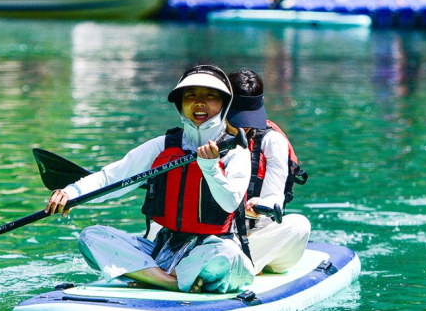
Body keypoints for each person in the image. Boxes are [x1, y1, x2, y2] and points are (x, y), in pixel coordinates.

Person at [45, 65, 255, 294]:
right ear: (180, 104)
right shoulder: (163, 145)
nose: (199, 103)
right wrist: (72, 192)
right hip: (164, 249)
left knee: (229, 256)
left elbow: (230, 202)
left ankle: (151, 276)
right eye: (190, 96)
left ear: (224, 105)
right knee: (91, 237)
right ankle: (170, 281)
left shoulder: (236, 151)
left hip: (211, 250)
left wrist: (210, 167)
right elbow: (113, 176)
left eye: (210, 96)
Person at [226, 69, 310, 275]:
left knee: (300, 226)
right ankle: (239, 263)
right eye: (237, 118)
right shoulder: (205, 135)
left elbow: (274, 198)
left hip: (258, 234)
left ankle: (239, 263)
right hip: (213, 234)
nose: (244, 126)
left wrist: (258, 205)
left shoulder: (272, 141)